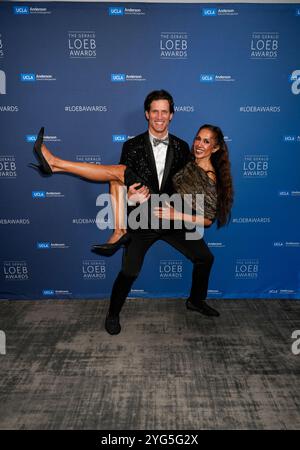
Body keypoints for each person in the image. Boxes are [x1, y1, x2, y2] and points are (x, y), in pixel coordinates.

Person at [31, 90, 233, 335]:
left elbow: (190, 186)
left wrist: (181, 209)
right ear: (147, 114)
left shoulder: (183, 147)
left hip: (173, 217)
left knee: (206, 258)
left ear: (172, 115)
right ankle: (113, 313)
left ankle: (196, 300)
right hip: (143, 217)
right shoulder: (131, 145)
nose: (159, 116)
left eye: (164, 111)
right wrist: (131, 196)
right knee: (129, 270)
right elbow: (119, 184)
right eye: (155, 111)